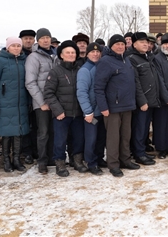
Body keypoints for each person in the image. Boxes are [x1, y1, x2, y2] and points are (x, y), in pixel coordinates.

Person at [94, 34, 139, 177]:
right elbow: (99, 87)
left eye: (122, 44)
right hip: (112, 107)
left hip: (128, 105)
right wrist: (103, 107)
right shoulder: (106, 61)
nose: (120, 47)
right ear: (111, 46)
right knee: (113, 138)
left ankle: (125, 159)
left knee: (126, 136)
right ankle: (113, 164)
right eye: (116, 44)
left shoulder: (126, 60)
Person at [43, 40, 87, 177]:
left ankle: (77, 161)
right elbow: (48, 93)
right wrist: (58, 110)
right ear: (61, 55)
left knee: (79, 139)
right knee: (60, 140)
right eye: (67, 52)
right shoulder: (55, 71)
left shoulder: (80, 70)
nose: (71, 55)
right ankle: (60, 163)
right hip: (62, 114)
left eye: (73, 52)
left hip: (78, 113)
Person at [0, 37, 30, 173]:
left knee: (18, 132)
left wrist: (29, 102)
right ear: (8, 47)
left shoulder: (24, 61)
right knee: (6, 133)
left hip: (21, 103)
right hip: (5, 103)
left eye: (19, 46)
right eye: (14, 46)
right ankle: (6, 160)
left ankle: (16, 160)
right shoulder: (0, 61)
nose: (17, 48)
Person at [25, 28, 58, 174]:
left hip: (55, 100)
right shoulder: (34, 57)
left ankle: (52, 158)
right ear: (38, 40)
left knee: (53, 131)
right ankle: (42, 161)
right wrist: (41, 102)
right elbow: (30, 82)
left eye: (48, 37)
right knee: (43, 132)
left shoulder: (56, 55)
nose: (46, 40)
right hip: (41, 103)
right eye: (43, 38)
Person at [129, 32, 160, 166]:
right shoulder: (132, 59)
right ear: (134, 44)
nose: (145, 44)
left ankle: (141, 150)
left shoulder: (147, 57)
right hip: (142, 102)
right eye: (142, 42)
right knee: (139, 128)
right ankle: (138, 154)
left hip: (150, 100)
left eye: (147, 42)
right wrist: (142, 101)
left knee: (145, 128)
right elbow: (135, 82)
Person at [76, 42, 107, 175]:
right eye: (92, 52)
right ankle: (91, 162)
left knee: (101, 137)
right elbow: (81, 92)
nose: (95, 54)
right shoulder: (85, 70)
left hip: (102, 110)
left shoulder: (101, 67)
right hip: (91, 112)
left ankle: (99, 158)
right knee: (91, 139)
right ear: (87, 54)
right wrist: (87, 111)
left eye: (97, 52)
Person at [18, 29, 37, 164]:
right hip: (21, 96)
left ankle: (36, 150)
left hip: (36, 96)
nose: (28, 41)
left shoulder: (37, 54)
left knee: (36, 126)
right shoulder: (18, 55)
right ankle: (27, 152)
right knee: (24, 125)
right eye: (26, 39)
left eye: (31, 38)